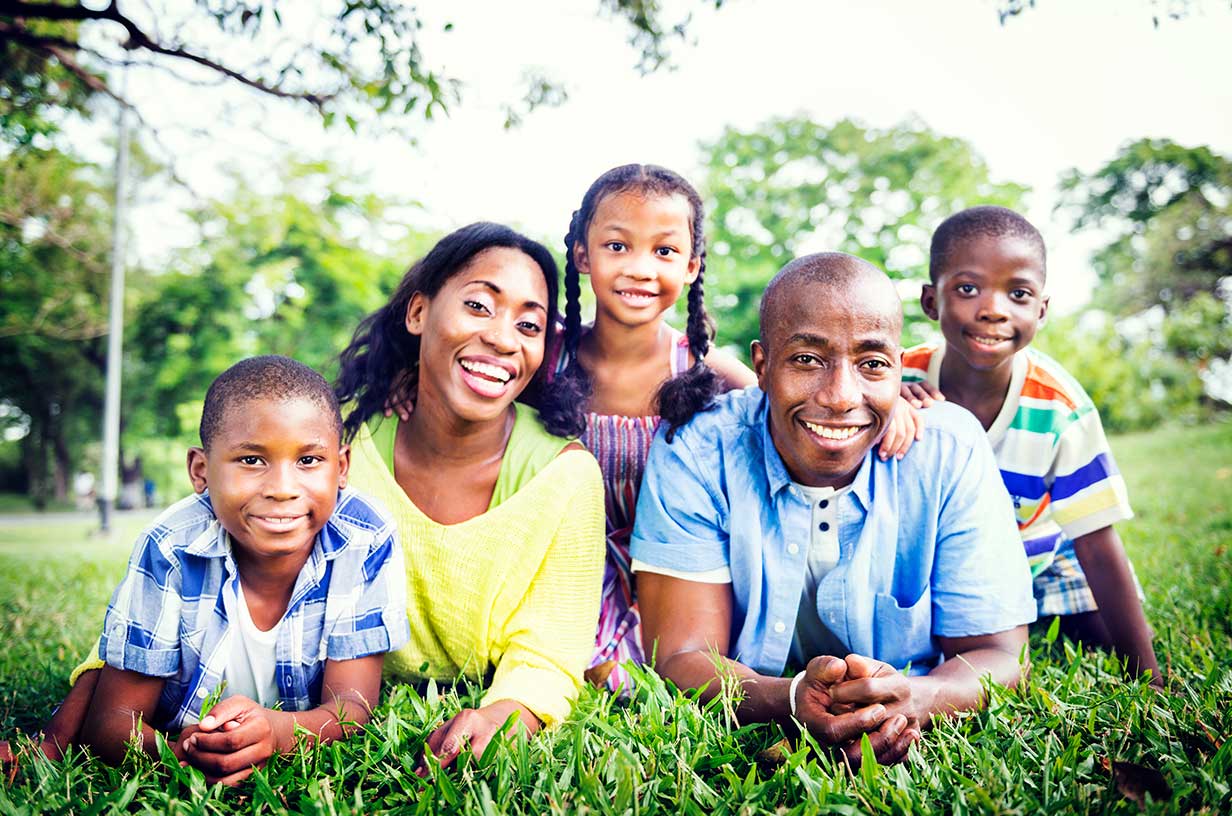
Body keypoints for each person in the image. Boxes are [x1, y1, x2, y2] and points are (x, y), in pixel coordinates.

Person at [632, 252, 1037, 767]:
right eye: (807, 359)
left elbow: (1002, 654)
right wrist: (791, 699)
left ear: (898, 367)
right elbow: (680, 657)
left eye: (871, 364)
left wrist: (912, 699)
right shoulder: (697, 447)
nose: (842, 396)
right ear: (762, 366)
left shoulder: (949, 449)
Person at [548, 163, 926, 693]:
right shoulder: (545, 358)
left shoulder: (708, 369)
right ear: (583, 255)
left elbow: (790, 406)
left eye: (664, 251)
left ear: (691, 266)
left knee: (649, 676)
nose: (639, 268)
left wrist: (889, 403)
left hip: (675, 575)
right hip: (565, 567)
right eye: (617, 246)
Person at [0, 355, 409, 784]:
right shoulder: (171, 546)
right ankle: (46, 743)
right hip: (178, 714)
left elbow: (351, 709)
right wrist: (182, 755)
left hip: (289, 719)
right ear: (201, 471)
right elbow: (113, 723)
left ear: (340, 468)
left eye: (309, 461)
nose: (283, 489)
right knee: (98, 675)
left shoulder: (364, 537)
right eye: (252, 460)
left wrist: (276, 732)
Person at [335, 222, 605, 771]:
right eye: (480, 306)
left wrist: (510, 712)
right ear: (418, 314)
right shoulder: (341, 448)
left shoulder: (565, 474)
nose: (505, 339)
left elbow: (549, 650)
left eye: (528, 324)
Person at [900, 205, 1162, 686]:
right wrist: (887, 399)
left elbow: (1097, 543)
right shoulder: (897, 377)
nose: (994, 308)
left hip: (1039, 561)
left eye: (1018, 293)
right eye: (967, 288)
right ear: (930, 301)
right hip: (941, 565)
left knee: (1101, 631)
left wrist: (1149, 674)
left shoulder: (1061, 409)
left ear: (1041, 310)